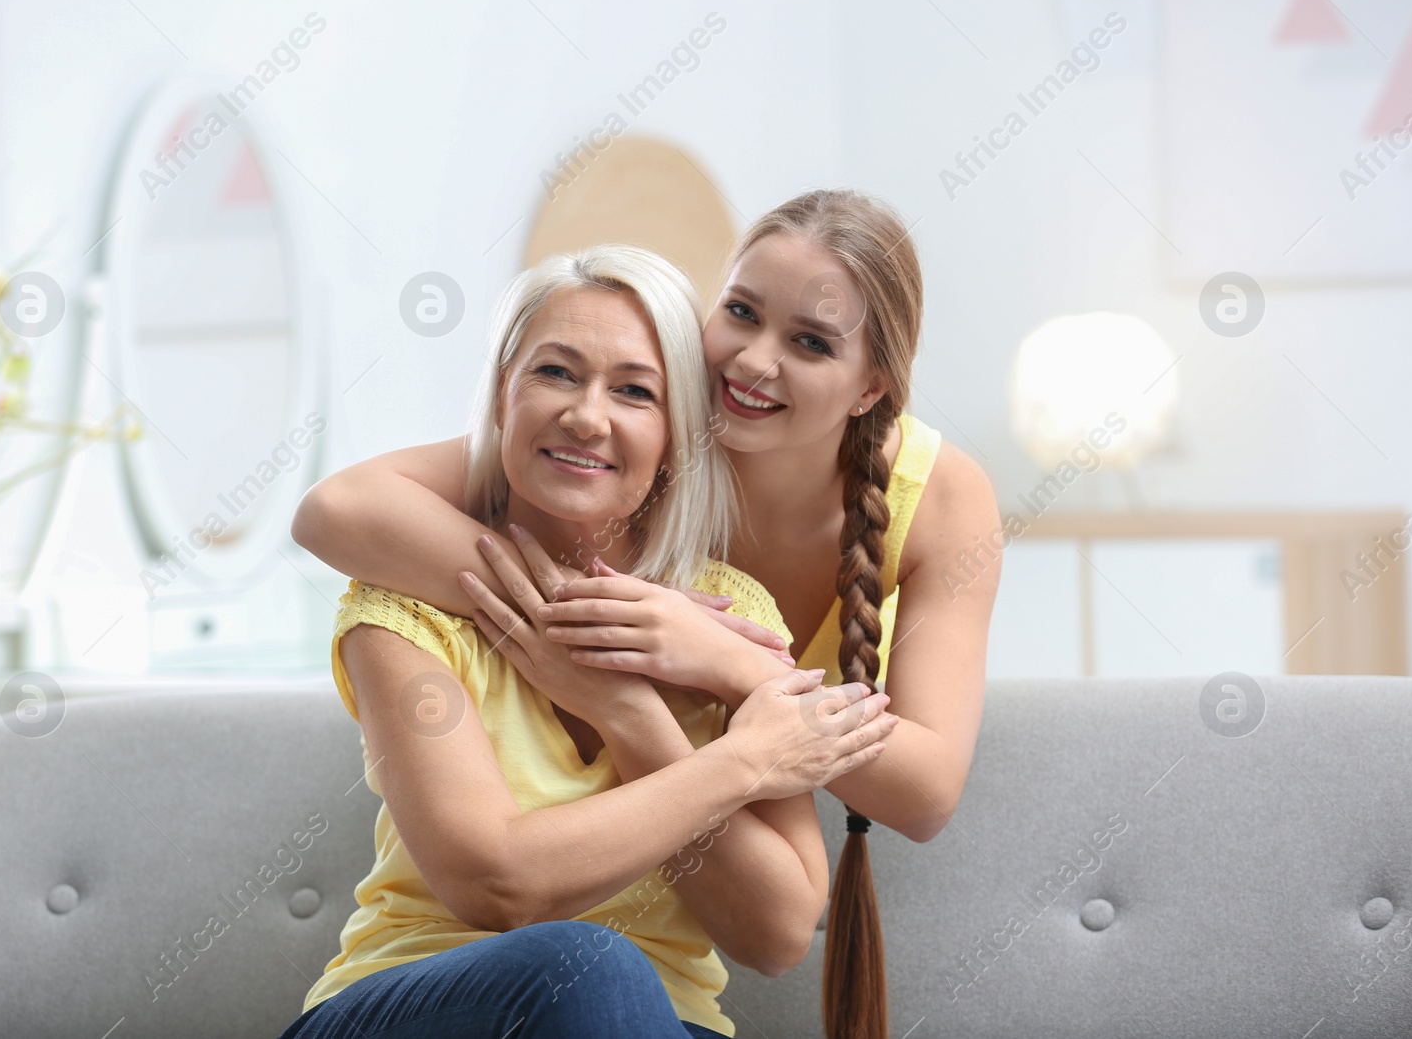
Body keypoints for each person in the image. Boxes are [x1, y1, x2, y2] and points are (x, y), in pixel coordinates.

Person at [292, 190, 1001, 1039]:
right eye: (554, 372)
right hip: (433, 1000)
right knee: (586, 967)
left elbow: (781, 929)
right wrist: (596, 637)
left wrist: (646, 696)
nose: (755, 362)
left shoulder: (735, 615)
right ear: (498, 398)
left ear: (673, 433)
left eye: (634, 390)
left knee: (610, 988)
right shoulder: (408, 594)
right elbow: (498, 884)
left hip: (657, 1021)